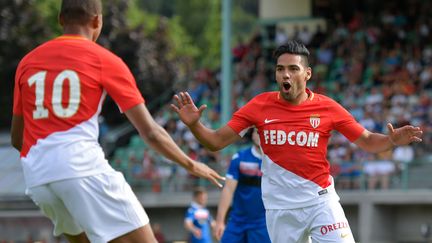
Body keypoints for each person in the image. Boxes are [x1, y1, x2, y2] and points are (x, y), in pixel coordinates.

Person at [10, 1, 224, 242]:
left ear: (61, 19)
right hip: (81, 169)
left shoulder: (27, 62)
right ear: (97, 21)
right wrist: (192, 165)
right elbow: (151, 132)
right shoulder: (104, 59)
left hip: (38, 178)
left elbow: (17, 138)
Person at [171, 40, 423, 242]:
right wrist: (194, 125)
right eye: (280, 69)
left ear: (307, 73)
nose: (285, 75)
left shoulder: (328, 107)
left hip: (320, 201)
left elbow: (367, 140)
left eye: (293, 68)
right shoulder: (258, 106)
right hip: (279, 210)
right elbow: (215, 142)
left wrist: (391, 141)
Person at [214, 128, 271, 243]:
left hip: (263, 223)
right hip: (237, 221)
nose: (260, 135)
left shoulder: (275, 162)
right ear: (252, 135)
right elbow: (228, 189)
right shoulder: (239, 158)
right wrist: (220, 221)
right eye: (257, 132)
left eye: (263, 132)